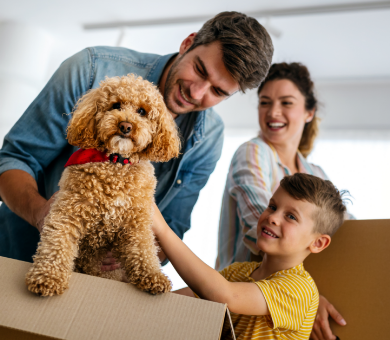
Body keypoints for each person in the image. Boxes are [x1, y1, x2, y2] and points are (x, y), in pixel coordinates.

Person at [0, 12, 273, 264]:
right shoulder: (90, 70)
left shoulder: (209, 138)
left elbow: (172, 227)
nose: (197, 93)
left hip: (98, 292)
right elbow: (16, 158)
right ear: (188, 43)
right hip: (18, 258)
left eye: (218, 91)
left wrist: (128, 255)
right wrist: (41, 215)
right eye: (200, 71)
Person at [215, 62, 347, 340]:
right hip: (238, 298)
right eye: (265, 102)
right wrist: (308, 297)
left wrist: (304, 298)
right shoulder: (253, 152)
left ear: (309, 112)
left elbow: (347, 234)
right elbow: (259, 226)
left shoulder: (316, 174)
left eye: (286, 103)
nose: (273, 112)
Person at [152, 173, 347, 340]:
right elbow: (176, 300)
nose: (272, 217)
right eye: (272, 206)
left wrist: (162, 229)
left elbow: (224, 295)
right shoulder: (238, 272)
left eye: (291, 216)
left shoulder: (299, 289)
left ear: (317, 243)